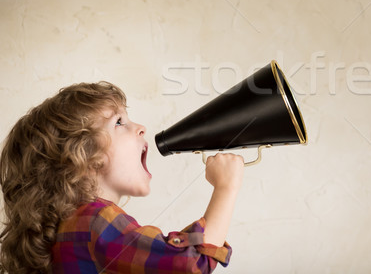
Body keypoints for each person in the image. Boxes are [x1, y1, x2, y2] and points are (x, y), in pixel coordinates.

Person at [0, 81, 244, 273]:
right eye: (119, 122)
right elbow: (189, 264)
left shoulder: (72, 226)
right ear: (80, 156)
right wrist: (226, 186)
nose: (141, 127)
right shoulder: (95, 220)